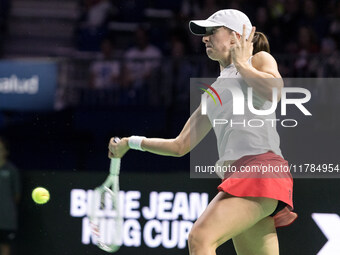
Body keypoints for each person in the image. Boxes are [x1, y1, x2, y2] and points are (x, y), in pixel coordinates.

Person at [108, 9, 297, 255]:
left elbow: (275, 92)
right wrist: (130, 142)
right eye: (204, 34)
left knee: (200, 238)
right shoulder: (214, 92)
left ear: (235, 36)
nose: (204, 38)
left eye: (211, 32)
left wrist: (241, 63)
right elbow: (179, 145)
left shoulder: (259, 60)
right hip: (238, 176)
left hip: (261, 170)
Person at [0, 137, 21, 255]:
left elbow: (16, 196)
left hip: (6, 220)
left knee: (5, 247)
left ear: (6, 151)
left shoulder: (12, 170)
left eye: (1, 149)